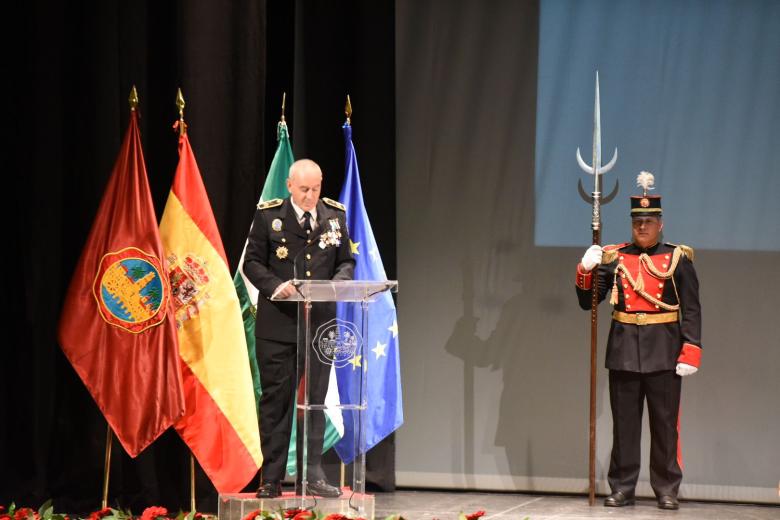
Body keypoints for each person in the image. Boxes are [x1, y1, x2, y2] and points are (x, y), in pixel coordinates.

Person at [575, 171, 702, 510]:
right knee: (625, 427)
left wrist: (691, 349)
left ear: (660, 223)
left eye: (649, 221)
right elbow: (589, 302)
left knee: (664, 427)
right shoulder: (614, 258)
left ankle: (666, 488)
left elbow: (691, 309)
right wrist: (586, 269)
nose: (642, 227)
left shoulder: (677, 258)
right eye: (637, 222)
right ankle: (622, 487)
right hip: (624, 351)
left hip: (664, 351)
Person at [244, 159, 355, 498]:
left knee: (316, 402)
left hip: (319, 325)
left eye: (316, 189)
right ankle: (272, 478)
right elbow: (252, 262)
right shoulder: (268, 216)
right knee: (276, 402)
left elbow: (347, 261)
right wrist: (276, 286)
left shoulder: (334, 216)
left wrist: (337, 283)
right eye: (304, 189)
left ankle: (313, 475)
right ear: (290, 186)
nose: (310, 197)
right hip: (278, 325)